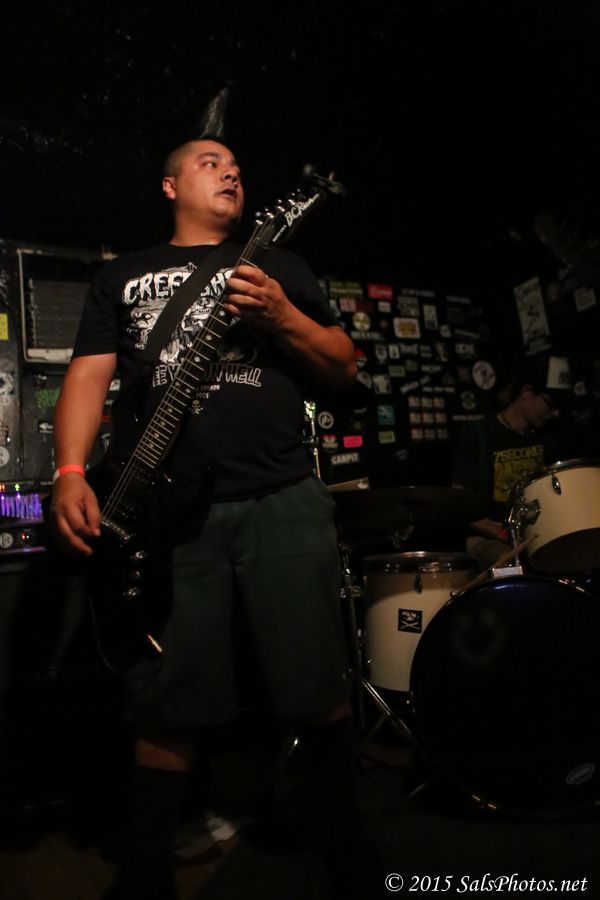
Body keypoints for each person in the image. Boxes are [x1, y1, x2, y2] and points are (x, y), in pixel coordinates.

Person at [49, 118, 362, 899]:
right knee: (167, 696)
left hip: (280, 494)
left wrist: (283, 317)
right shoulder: (124, 276)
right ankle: (146, 871)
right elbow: (88, 376)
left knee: (316, 682)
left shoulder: (280, 262)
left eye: (237, 166)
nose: (230, 173)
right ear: (170, 185)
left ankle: (350, 846)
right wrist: (70, 471)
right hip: (162, 514)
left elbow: (343, 366)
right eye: (210, 161)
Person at [452, 355, 572, 571]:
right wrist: (504, 534)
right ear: (526, 392)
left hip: (540, 532)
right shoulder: (478, 434)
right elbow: (460, 507)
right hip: (490, 536)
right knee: (510, 563)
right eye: (551, 404)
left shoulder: (551, 436)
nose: (556, 413)